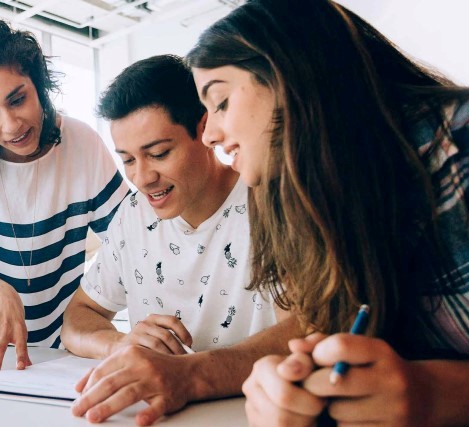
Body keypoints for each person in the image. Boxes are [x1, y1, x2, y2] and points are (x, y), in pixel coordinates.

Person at [187, 0, 469, 425]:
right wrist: (292, 388)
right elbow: (318, 335)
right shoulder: (297, 201)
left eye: (220, 101)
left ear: (291, 73)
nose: (210, 135)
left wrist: (437, 393)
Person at [64, 55, 298, 426]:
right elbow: (78, 317)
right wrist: (120, 344)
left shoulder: (270, 200)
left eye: (159, 154)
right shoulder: (132, 216)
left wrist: (191, 373)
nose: (142, 178)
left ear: (205, 128)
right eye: (127, 160)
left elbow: (305, 327)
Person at [0, 20, 129, 373]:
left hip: (58, 336)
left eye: (18, 99)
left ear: (40, 85)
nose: (11, 125)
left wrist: (93, 307)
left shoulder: (82, 144)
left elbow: (133, 241)